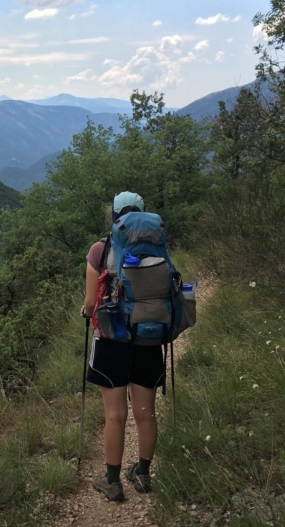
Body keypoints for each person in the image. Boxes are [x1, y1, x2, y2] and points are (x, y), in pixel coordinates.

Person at [81, 191, 165, 502]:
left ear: (114, 217)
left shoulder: (100, 250)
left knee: (115, 415)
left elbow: (92, 304)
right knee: (146, 412)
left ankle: (112, 481)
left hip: (111, 339)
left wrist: (86, 311)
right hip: (148, 336)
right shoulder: (158, 248)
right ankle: (142, 474)